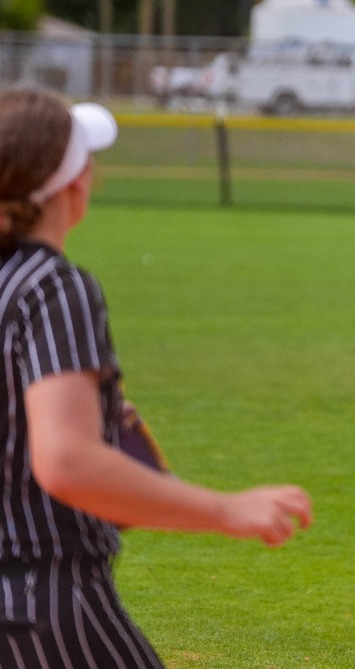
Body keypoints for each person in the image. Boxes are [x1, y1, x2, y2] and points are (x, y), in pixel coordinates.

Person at [0, 89, 313, 668]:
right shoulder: (52, 287)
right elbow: (67, 461)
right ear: (72, 183)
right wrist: (225, 509)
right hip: (40, 602)